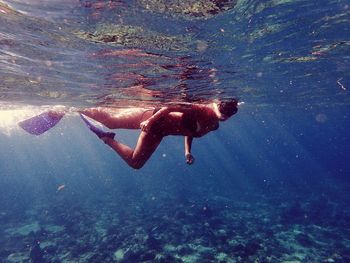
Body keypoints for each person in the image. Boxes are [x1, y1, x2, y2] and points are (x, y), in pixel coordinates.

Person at [78, 99, 238, 169]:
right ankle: (76, 107)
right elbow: (170, 107)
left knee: (136, 163)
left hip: (159, 132)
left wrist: (187, 151)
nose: (223, 117)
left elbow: (191, 131)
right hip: (154, 119)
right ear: (217, 106)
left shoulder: (213, 125)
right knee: (111, 121)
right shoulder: (202, 109)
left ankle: (105, 137)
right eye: (222, 113)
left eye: (227, 116)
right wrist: (150, 121)